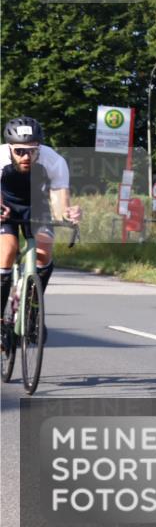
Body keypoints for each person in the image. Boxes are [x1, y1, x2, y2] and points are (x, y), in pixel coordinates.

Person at [1, 117, 82, 353]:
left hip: (37, 207)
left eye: (32, 151)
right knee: (7, 250)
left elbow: (60, 202)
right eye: (20, 151)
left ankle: (33, 307)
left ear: (40, 148)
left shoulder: (54, 161)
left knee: (44, 250)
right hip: (5, 206)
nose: (26, 156)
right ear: (9, 148)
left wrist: (70, 214)